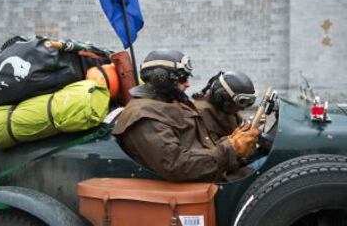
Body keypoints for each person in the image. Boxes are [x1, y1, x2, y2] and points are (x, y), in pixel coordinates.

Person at [112, 50, 259, 182]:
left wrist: (233, 140)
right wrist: (230, 149)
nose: (188, 84)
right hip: (206, 184)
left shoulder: (170, 102)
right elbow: (177, 165)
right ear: (161, 79)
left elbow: (201, 145)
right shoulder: (143, 118)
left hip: (215, 174)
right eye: (182, 79)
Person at [193, 71, 267, 170]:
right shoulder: (201, 113)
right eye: (240, 102)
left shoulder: (226, 110)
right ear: (222, 97)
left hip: (235, 163)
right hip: (227, 173)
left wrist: (252, 127)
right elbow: (214, 156)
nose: (243, 109)